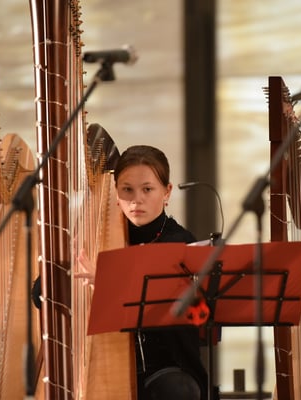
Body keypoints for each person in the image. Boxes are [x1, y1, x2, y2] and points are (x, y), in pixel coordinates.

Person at [34, 145, 214, 400]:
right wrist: (64, 265)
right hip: (105, 365)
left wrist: (108, 283)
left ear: (167, 192)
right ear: (115, 193)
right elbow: (39, 295)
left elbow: (195, 314)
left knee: (176, 391)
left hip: (166, 369)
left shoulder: (179, 243)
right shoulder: (95, 239)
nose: (136, 199)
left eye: (147, 189)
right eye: (127, 189)